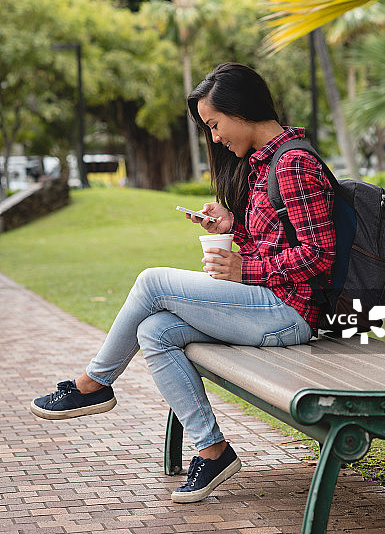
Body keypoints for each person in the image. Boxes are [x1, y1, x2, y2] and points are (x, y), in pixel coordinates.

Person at [30, 63, 336, 502]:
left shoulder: (293, 164)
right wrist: (233, 224)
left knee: (152, 282)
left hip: (287, 314)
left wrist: (244, 269)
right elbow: (278, 238)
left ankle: (93, 385)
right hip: (265, 304)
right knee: (154, 331)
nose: (215, 138)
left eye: (215, 124)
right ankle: (213, 451)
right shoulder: (266, 163)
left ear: (242, 110)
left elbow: (318, 256)